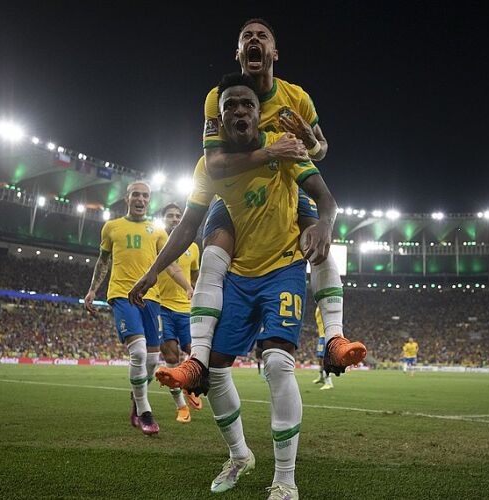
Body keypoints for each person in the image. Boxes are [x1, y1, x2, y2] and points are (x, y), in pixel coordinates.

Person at [129, 73, 338, 500]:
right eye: (230, 107)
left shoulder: (285, 146)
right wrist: (154, 270)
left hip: (282, 268)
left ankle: (285, 480)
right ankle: (240, 455)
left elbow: (324, 193)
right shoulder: (210, 166)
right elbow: (188, 224)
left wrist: (322, 225)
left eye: (247, 104)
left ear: (259, 112)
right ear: (218, 120)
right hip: (239, 278)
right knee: (215, 370)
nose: (240, 111)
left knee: (278, 364)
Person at [157, 17, 365, 396]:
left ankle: (333, 337)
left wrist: (309, 143)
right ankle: (199, 359)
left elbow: (321, 150)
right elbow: (214, 164)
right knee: (213, 253)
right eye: (246, 37)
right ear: (238, 53)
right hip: (232, 191)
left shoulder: (297, 97)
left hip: (284, 183)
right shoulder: (214, 98)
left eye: (262, 36)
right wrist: (270, 150)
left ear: (274, 52)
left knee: (316, 237)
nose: (254, 41)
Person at [83, 181, 193, 436]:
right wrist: (92, 290)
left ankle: (136, 397)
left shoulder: (157, 231)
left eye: (145, 196)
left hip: (151, 298)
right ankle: (145, 411)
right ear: (127, 198)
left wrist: (188, 287)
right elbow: (103, 261)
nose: (140, 199)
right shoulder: (111, 227)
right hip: (122, 294)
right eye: (136, 195)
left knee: (153, 358)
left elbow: (171, 265)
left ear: (149, 200)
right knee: (140, 353)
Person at [157, 202, 203, 422]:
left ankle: (189, 386)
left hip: (185, 309)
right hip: (161, 306)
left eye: (178, 216)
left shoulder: (193, 248)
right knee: (171, 356)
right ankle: (181, 407)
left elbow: (195, 274)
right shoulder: (156, 241)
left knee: (194, 353)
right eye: (170, 215)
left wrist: (191, 291)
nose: (175, 219)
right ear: (163, 219)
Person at [312, 308, 333, 390]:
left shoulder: (324, 307)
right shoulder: (318, 308)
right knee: (320, 358)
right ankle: (321, 377)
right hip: (321, 337)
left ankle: (329, 382)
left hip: (326, 336)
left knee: (325, 359)